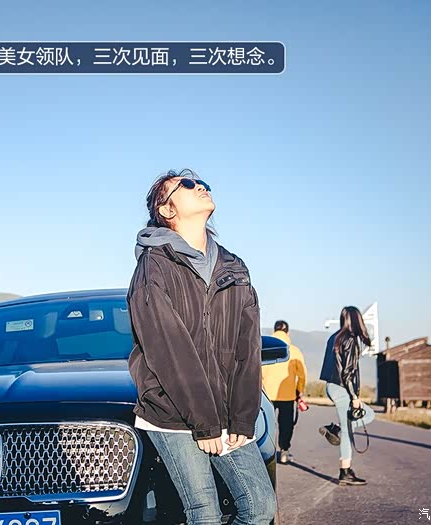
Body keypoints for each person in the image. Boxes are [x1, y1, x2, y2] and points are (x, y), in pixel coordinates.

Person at [127, 169, 277, 525]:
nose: (200, 187)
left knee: (261, 507)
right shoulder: (154, 266)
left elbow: (247, 349)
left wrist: (242, 418)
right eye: (187, 185)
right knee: (204, 514)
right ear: (167, 210)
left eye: (202, 184)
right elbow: (169, 350)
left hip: (226, 413)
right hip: (173, 413)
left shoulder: (234, 268)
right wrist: (205, 423)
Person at [318, 306, 376, 485]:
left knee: (349, 426)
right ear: (357, 320)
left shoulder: (334, 337)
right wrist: (354, 397)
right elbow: (348, 372)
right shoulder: (350, 339)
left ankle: (336, 429)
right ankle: (345, 472)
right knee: (362, 419)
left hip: (331, 386)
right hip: (342, 388)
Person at [262, 320, 307, 463]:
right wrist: (299, 390)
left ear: (274, 331)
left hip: (266, 393)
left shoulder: (265, 348)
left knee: (267, 424)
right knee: (286, 425)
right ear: (288, 333)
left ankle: (265, 453)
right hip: (287, 394)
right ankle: (284, 452)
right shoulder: (294, 350)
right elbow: (302, 374)